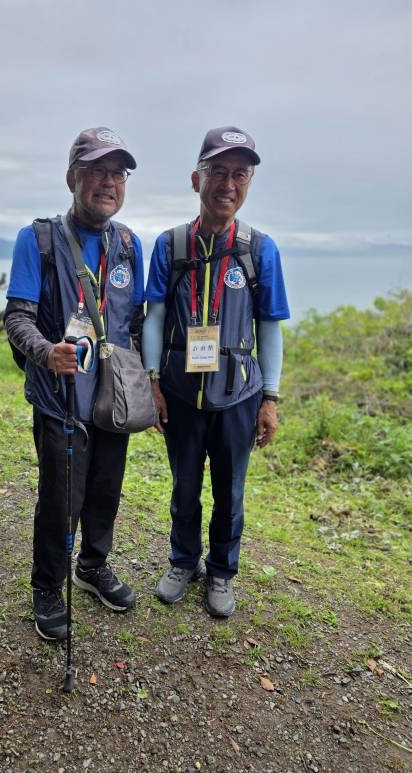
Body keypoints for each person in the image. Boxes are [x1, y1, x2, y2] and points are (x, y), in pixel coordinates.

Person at [142, 126, 290, 617]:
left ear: (248, 183)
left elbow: (269, 327)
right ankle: (183, 562)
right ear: (196, 178)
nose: (229, 184)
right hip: (182, 393)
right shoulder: (171, 245)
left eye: (240, 175)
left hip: (237, 395)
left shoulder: (259, 249)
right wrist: (152, 381)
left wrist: (270, 397)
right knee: (184, 486)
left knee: (230, 491)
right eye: (218, 172)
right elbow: (156, 316)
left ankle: (222, 572)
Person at [4, 127, 145, 641]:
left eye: (118, 173)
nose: (109, 182)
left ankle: (92, 565)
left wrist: (147, 384)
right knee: (62, 499)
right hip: (60, 400)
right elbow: (16, 318)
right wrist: (47, 352)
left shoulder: (129, 244)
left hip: (114, 398)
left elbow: (137, 321)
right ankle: (47, 585)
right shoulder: (38, 240)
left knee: (107, 489)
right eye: (97, 172)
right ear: (73, 179)